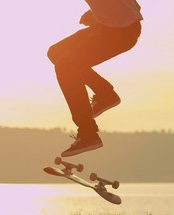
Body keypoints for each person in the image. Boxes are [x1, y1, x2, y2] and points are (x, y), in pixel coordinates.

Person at [47, 0, 143, 157]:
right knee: (56, 53)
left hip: (119, 34)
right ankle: (105, 94)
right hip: (108, 28)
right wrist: (98, 15)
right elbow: (134, 6)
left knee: (66, 67)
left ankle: (88, 133)